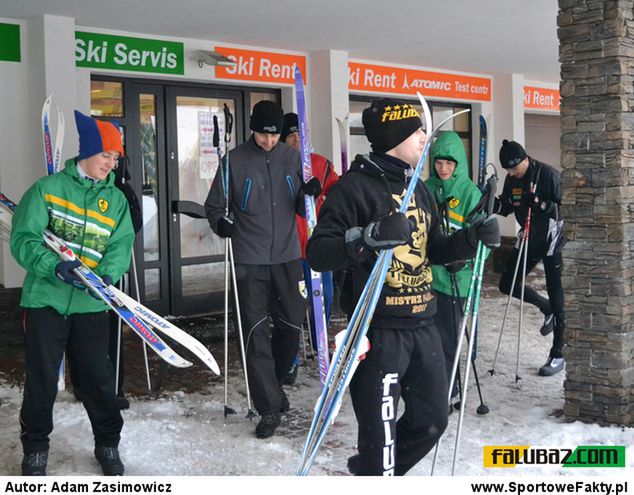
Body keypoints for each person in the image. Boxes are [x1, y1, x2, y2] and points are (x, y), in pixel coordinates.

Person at [305, 98, 500, 476]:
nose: (425, 138)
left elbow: (437, 248)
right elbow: (319, 252)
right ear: (396, 135)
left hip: (424, 325)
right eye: (418, 131)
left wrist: (472, 237)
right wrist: (368, 237)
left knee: (432, 422)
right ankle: (379, 470)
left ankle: (373, 472)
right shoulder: (354, 189)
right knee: (381, 441)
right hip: (380, 331)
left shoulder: (419, 187)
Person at [11, 110, 134, 476]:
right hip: (45, 300)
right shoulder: (47, 189)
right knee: (42, 379)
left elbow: (120, 245)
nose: (110, 164)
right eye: (105, 156)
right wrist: (53, 266)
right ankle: (35, 447)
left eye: (115, 158)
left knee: (97, 377)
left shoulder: (116, 200)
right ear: (87, 153)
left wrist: (107, 276)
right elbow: (24, 240)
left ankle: (108, 443)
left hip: (90, 303)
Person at [204, 101, 321, 439]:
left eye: (273, 136)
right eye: (262, 134)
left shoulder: (291, 159)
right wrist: (220, 223)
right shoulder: (234, 161)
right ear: (252, 130)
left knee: (290, 324)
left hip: (286, 255)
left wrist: (309, 194)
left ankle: (273, 385)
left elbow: (300, 206)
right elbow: (215, 206)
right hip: (248, 258)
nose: (268, 141)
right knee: (255, 333)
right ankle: (268, 407)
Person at [494, 139, 565, 376]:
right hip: (528, 237)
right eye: (508, 171)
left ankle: (558, 353)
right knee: (507, 284)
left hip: (552, 237)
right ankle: (547, 309)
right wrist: (490, 202)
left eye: (515, 168)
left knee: (557, 293)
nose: (513, 174)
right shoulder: (511, 179)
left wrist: (542, 204)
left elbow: (566, 205)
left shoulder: (547, 174)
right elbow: (505, 206)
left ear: (525, 159)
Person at [280, 112, 339, 383]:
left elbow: (338, 190)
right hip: (289, 249)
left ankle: (320, 346)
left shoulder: (320, 164)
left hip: (317, 248)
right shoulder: (277, 164)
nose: (295, 140)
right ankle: (290, 357)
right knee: (291, 305)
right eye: (290, 135)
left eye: (299, 135)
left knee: (323, 297)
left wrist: (325, 196)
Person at [425, 131, 483, 401]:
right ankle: (438, 386)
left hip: (456, 280)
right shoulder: (426, 188)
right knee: (430, 339)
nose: (444, 168)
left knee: (448, 341)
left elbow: (483, 238)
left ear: (459, 162)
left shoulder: (470, 192)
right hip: (429, 277)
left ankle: (449, 390)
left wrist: (467, 260)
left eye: (449, 163)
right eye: (439, 162)